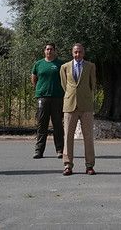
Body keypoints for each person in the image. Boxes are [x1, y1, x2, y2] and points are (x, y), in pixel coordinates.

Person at [60, 43, 97, 175]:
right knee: (68, 136)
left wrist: (85, 96)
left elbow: (93, 85)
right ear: (72, 53)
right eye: (76, 52)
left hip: (86, 105)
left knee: (88, 137)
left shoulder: (90, 66)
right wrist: (72, 95)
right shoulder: (64, 67)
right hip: (70, 105)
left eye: (80, 52)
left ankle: (89, 165)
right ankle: (68, 165)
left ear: (83, 53)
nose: (78, 55)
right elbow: (65, 85)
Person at [31, 42, 65, 159]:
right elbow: (34, 79)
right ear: (44, 51)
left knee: (58, 125)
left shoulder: (61, 64)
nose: (49, 51)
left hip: (57, 98)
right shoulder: (38, 64)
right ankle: (38, 151)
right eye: (47, 49)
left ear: (55, 51)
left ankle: (60, 150)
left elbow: (65, 80)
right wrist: (40, 90)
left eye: (51, 49)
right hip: (43, 98)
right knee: (42, 125)